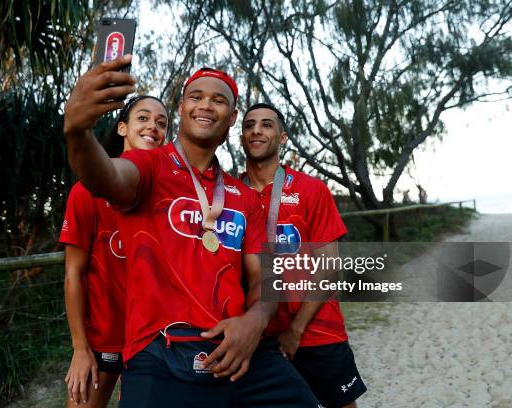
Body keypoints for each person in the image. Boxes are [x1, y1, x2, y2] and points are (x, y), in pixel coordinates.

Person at [63, 55, 318, 407]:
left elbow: (265, 277)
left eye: (218, 100)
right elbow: (106, 177)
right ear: (182, 108)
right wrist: (78, 132)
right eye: (196, 97)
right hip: (160, 355)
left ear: (231, 120)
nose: (205, 105)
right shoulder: (148, 165)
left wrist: (255, 321)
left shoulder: (242, 196)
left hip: (241, 352)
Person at [240, 103, 367, 408]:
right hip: (258, 338)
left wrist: (296, 330)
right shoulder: (230, 194)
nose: (256, 130)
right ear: (241, 136)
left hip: (316, 332)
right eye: (249, 125)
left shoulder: (311, 190)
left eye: (267, 124)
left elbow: (329, 266)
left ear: (282, 137)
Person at [59, 95, 168, 406]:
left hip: (156, 342)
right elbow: (74, 274)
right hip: (103, 340)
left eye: (161, 123)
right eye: (143, 118)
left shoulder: (171, 199)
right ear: (122, 128)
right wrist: (80, 348)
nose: (153, 127)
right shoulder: (86, 193)